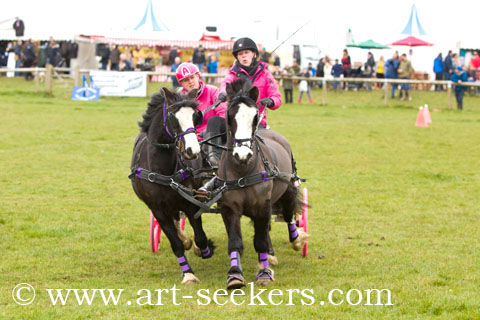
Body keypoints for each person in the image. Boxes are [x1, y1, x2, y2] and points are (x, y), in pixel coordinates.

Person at [220, 37, 282, 129]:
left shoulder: (266, 75)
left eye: (246, 52)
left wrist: (271, 101)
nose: (243, 56)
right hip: (236, 122)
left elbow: (276, 96)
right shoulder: (231, 75)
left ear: (254, 54)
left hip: (257, 122)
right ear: (237, 57)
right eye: (240, 54)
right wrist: (223, 94)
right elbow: (224, 87)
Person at [175, 62, 227, 165]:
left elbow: (223, 114)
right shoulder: (178, 100)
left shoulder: (213, 91)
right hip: (188, 140)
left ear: (198, 76)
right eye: (186, 80)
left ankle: (214, 162)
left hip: (212, 138)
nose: (190, 82)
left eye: (192, 77)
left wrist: (207, 132)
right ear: (181, 84)